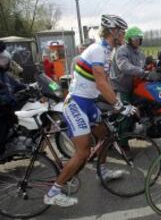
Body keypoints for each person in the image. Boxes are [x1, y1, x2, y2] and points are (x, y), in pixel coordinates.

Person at [44, 14, 137, 207]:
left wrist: (117, 102)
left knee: (105, 134)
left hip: (89, 103)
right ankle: (54, 192)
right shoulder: (97, 50)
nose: (124, 35)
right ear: (113, 31)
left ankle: (102, 170)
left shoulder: (107, 51)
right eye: (122, 31)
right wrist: (120, 106)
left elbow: (105, 83)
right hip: (77, 104)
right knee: (83, 151)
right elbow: (102, 83)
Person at [110, 26, 147, 144]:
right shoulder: (122, 50)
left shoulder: (140, 54)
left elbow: (143, 67)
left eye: (139, 38)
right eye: (135, 38)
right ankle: (123, 144)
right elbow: (124, 66)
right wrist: (143, 72)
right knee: (125, 114)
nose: (137, 40)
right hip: (120, 87)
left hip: (134, 87)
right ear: (129, 39)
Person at [0, 42, 26, 155]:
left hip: (7, 109)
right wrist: (7, 99)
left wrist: (31, 86)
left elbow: (16, 84)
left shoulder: (4, 75)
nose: (6, 62)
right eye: (2, 59)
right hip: (1, 110)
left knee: (15, 124)